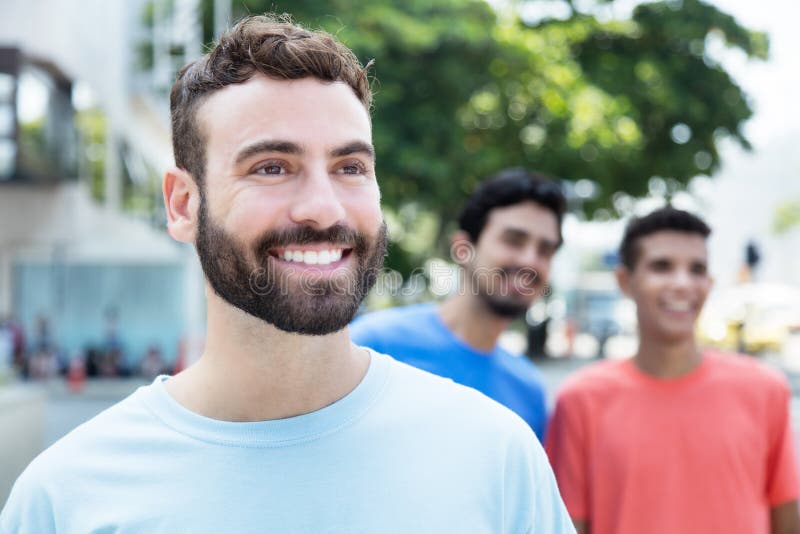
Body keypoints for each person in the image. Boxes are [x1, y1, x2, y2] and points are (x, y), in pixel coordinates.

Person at [1, 15, 574, 533]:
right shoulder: (66, 499)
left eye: (350, 167)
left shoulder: (495, 458)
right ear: (181, 204)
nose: (324, 208)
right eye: (272, 167)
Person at [545, 207, 800, 534]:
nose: (683, 283)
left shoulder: (766, 391)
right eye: (661, 266)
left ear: (709, 282)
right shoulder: (580, 401)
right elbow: (568, 527)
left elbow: (787, 521)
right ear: (625, 281)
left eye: (697, 269)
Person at [351, 168, 565, 440]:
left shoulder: (529, 392)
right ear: (464, 249)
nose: (530, 261)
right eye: (513, 240)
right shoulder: (373, 346)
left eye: (545, 250)